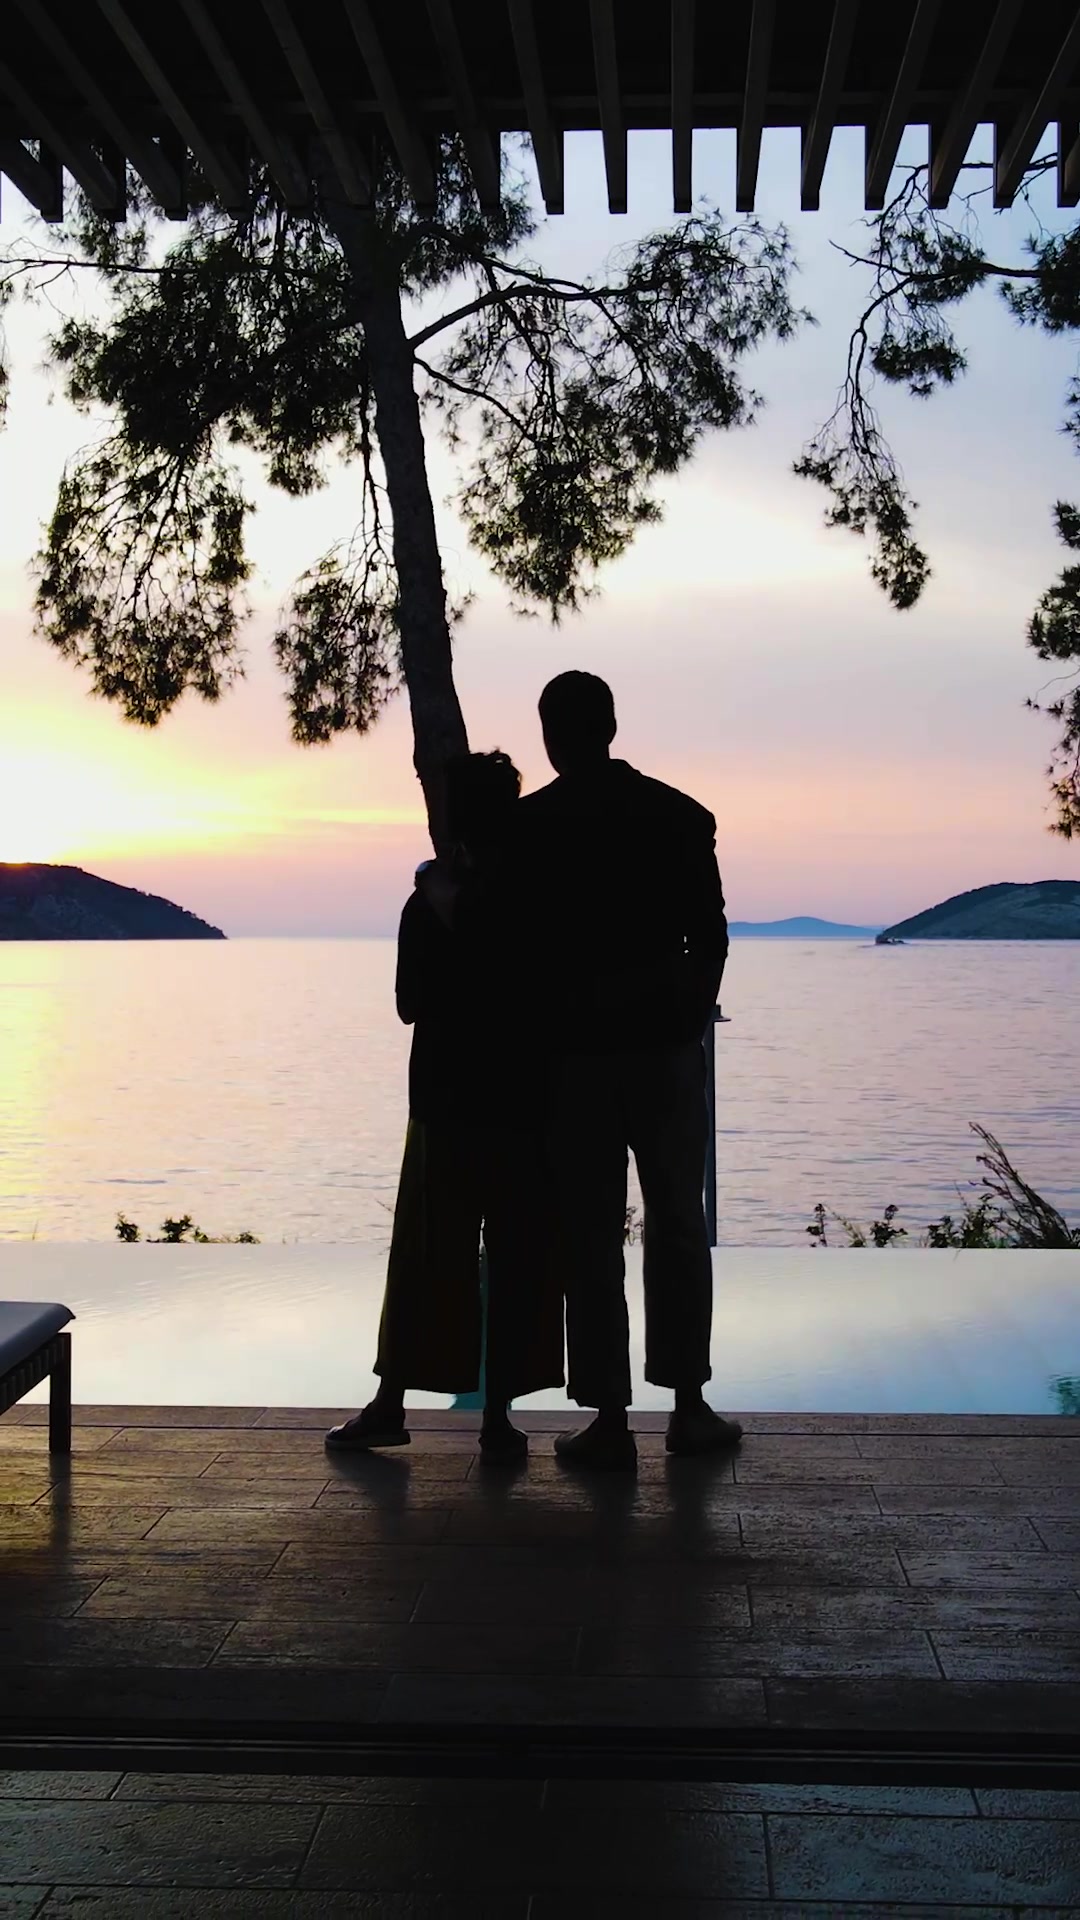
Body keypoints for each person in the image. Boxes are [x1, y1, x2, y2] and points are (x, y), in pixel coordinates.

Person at [517, 672, 742, 1470]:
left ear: (552, 735)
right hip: (662, 1052)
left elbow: (518, 952)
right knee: (677, 1222)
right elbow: (709, 936)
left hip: (574, 1060)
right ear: (611, 726)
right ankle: (687, 1405)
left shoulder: (531, 826)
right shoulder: (678, 815)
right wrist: (687, 1016)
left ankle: (610, 1416)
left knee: (590, 1234)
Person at [326, 750, 564, 1460]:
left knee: (427, 1255)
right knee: (517, 1258)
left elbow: (408, 1003)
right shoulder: (537, 896)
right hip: (522, 1100)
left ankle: (390, 1403)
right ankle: (498, 1419)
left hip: (445, 1099)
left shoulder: (426, 900)